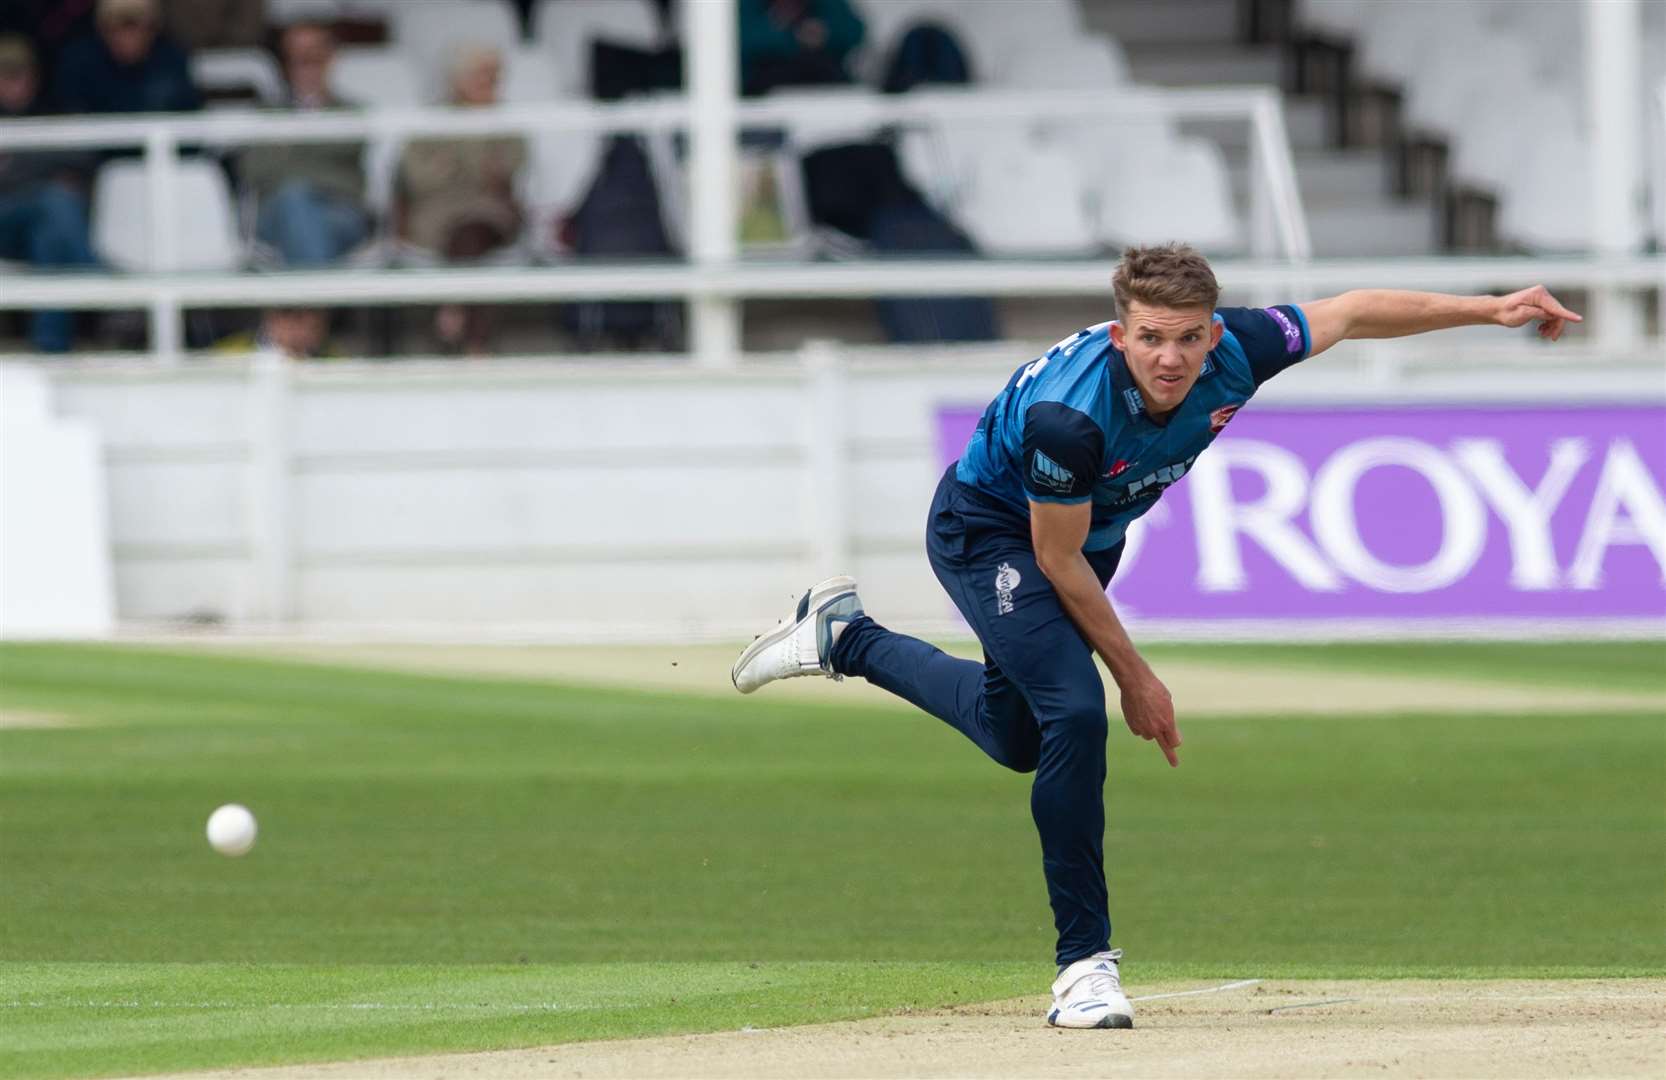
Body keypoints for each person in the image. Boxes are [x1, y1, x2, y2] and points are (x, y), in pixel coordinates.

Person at [729, 243, 1583, 1030]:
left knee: (1015, 735)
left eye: (1185, 339)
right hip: (991, 531)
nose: (1169, 359)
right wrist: (1137, 676)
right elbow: (1054, 561)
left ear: (1213, 333)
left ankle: (846, 639)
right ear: (1118, 333)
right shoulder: (1071, 416)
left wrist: (1494, 307)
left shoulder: (1243, 348)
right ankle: (1083, 967)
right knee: (1075, 712)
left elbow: (1356, 309)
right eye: (1149, 339)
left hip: (1087, 539)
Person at [396, 43, 525, 355]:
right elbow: (416, 175)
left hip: (486, 215)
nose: (490, 84)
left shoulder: (507, 121)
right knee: (465, 238)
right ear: (459, 80)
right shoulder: (431, 120)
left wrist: (455, 166)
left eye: (494, 77)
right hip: (436, 214)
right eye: (482, 76)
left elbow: (511, 167)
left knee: (470, 235)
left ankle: (456, 311)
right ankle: (475, 341)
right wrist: (469, 168)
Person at [238, 19, 368, 266]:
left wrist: (287, 148)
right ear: (284, 63)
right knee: (295, 203)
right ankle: (316, 303)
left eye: (314, 54)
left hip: (340, 212)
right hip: (276, 212)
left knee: (300, 208)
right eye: (296, 55)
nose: (305, 61)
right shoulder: (265, 113)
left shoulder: (353, 111)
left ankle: (303, 303)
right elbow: (252, 169)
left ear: (331, 57)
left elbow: (350, 149)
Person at [0, 33, 100, 352]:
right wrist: (43, 169)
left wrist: (16, 166)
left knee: (50, 234)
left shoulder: (53, 108)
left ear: (34, 76)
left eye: (20, 74)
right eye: (5, 74)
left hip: (34, 225)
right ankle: (95, 279)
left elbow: (84, 158)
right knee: (56, 200)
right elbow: (63, 162)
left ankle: (51, 346)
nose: (13, 83)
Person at [52, 0, 200, 115]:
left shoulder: (172, 61)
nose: (127, 37)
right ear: (102, 30)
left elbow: (189, 116)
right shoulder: (79, 63)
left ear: (152, 30)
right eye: (117, 26)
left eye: (135, 26)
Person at [737, 0, 864, 96]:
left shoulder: (827, 4)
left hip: (826, 91)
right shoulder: (747, 5)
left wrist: (825, 33)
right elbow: (740, 39)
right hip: (762, 93)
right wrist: (793, 37)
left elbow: (854, 30)